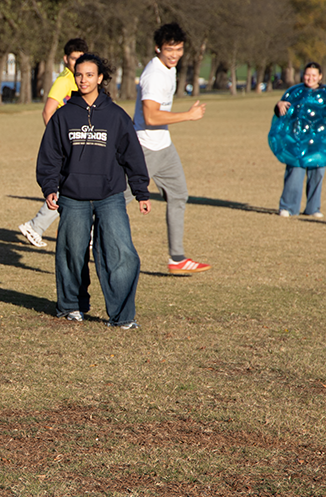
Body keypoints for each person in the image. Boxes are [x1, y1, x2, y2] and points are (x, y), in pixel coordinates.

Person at [37, 54, 151, 328]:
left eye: (90, 75)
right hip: (73, 197)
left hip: (110, 196)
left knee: (121, 253)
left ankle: (123, 316)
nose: (83, 80)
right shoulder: (63, 116)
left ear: (100, 78)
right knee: (71, 252)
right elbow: (50, 156)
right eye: (79, 75)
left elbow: (132, 155)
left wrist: (141, 191)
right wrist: (50, 187)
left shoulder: (116, 116)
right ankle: (71, 306)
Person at [129, 23, 210, 275]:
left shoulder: (169, 68)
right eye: (169, 49)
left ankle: (177, 259)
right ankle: (87, 233)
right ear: (157, 48)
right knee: (118, 200)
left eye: (179, 49)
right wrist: (188, 116)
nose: (174, 54)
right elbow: (151, 117)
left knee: (178, 194)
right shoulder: (153, 75)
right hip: (144, 147)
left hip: (164, 146)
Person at [18, 37, 88, 248]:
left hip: (78, 142)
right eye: (74, 58)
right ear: (66, 59)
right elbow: (48, 111)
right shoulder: (64, 81)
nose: (77, 62)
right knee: (72, 187)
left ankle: (37, 226)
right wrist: (58, 141)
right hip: (67, 144)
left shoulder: (78, 79)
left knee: (77, 186)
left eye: (81, 58)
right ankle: (36, 226)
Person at [274, 62, 326, 218]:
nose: (310, 78)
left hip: (320, 141)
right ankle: (288, 207)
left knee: (317, 173)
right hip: (297, 140)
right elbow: (281, 114)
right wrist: (278, 105)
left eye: (314, 75)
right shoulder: (295, 93)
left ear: (320, 76)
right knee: (295, 170)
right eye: (307, 75)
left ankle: (313, 208)